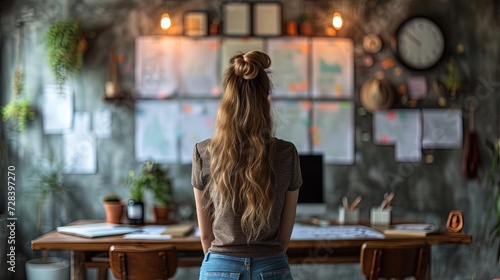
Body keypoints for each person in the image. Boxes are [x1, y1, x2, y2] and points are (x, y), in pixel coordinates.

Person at [191, 50, 302, 280]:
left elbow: (205, 236)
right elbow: (283, 238)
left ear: (227, 100)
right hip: (271, 266)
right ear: (265, 98)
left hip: (219, 267)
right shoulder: (287, 153)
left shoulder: (203, 152)